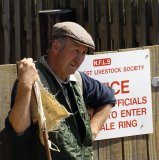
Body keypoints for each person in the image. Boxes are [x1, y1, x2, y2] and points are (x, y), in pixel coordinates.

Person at [5, 22, 116, 160]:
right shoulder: (33, 81)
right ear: (56, 46)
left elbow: (109, 97)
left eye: (83, 53)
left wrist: (92, 132)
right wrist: (25, 85)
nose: (79, 59)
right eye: (76, 51)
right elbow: (18, 130)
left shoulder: (78, 79)